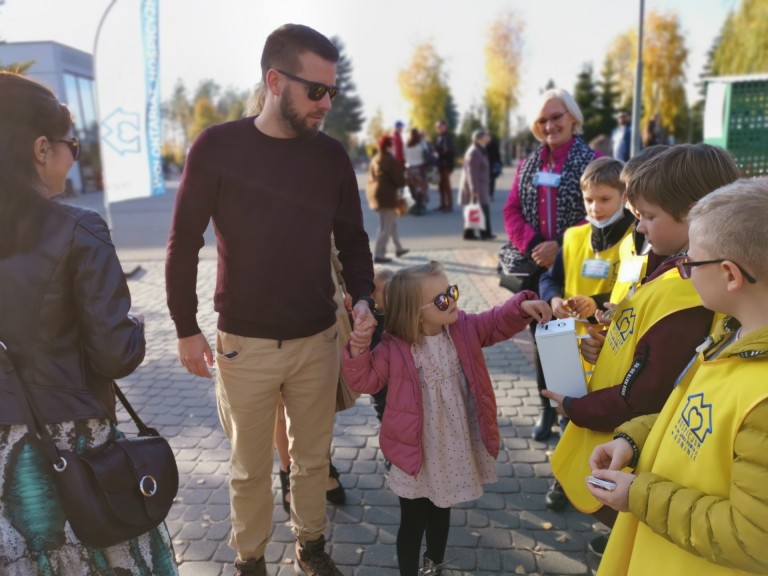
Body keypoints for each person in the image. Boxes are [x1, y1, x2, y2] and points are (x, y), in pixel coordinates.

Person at [165, 24, 376, 576]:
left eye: (333, 92)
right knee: (249, 468)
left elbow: (353, 240)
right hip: (244, 346)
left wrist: (363, 300)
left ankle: (311, 547)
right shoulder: (216, 147)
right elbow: (183, 242)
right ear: (275, 81)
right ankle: (250, 559)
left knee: (311, 462)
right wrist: (185, 327)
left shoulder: (331, 157)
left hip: (317, 340)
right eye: (316, 91)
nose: (326, 104)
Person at [0, 72, 177, 574]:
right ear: (40, 149)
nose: (72, 155)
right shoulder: (79, 229)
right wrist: (135, 326)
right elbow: (115, 354)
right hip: (71, 445)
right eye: (71, 145)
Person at [543, 144, 739, 557]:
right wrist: (609, 341)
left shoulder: (690, 294)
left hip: (633, 453)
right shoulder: (668, 265)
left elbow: (645, 394)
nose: (640, 228)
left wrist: (575, 406)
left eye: (648, 216)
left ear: (694, 213)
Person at [587, 178, 768, 575]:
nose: (683, 271)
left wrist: (639, 495)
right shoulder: (732, 336)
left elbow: (753, 537)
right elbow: (693, 417)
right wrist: (633, 440)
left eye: (689, 263)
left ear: (730, 275)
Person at [341, 261, 552, 576]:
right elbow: (364, 381)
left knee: (441, 510)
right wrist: (359, 346)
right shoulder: (393, 348)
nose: (452, 301)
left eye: (451, 292)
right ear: (415, 312)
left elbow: (494, 322)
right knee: (412, 520)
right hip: (415, 452)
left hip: (451, 448)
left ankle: (433, 564)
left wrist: (521, 306)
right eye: (442, 300)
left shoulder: (463, 328)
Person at [501, 87, 600, 442]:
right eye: (542, 120)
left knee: (577, 342)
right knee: (544, 340)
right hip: (535, 266)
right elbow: (511, 210)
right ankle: (548, 407)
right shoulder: (529, 165)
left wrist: (560, 245)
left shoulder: (593, 160)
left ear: (573, 118)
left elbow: (602, 210)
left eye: (556, 117)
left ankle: (573, 410)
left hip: (576, 265)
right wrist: (533, 245)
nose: (549, 125)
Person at [537, 157, 634, 512]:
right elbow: (550, 277)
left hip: (608, 348)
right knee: (569, 413)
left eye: (604, 199)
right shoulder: (574, 235)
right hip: (569, 346)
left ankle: (600, 485)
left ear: (624, 197)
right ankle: (562, 479)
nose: (595, 207)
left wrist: (595, 303)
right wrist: (555, 298)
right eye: (589, 200)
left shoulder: (634, 237)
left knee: (602, 420)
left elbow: (632, 292)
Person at [366, 134, 409, 264]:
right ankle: (378, 254)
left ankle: (398, 248)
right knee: (386, 226)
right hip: (387, 196)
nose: (394, 147)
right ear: (388, 146)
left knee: (390, 224)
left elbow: (371, 176)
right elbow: (400, 180)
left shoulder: (376, 159)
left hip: (377, 195)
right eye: (392, 145)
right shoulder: (390, 160)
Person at [459, 129, 494, 241]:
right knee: (480, 209)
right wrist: (474, 189)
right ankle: (484, 233)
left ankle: (471, 233)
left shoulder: (479, 150)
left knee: (478, 209)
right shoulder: (474, 151)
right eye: (486, 136)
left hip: (480, 185)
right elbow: (471, 172)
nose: (488, 137)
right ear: (479, 138)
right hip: (476, 186)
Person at [403, 127, 429, 215]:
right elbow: (426, 154)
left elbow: (404, 156)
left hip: (409, 170)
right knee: (421, 189)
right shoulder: (421, 144)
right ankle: (420, 206)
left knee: (412, 189)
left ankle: (413, 207)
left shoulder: (406, 145)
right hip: (419, 169)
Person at [432, 120, 455, 212]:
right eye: (438, 127)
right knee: (440, 186)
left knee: (446, 186)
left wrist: (450, 165)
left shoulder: (447, 138)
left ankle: (449, 205)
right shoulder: (438, 137)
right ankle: (442, 204)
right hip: (439, 165)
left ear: (445, 127)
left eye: (441, 126)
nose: (439, 128)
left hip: (445, 165)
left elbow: (449, 152)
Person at [486, 134, 503, 201]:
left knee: (491, 180)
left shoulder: (492, 144)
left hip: (491, 164)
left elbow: (497, 154)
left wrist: (499, 163)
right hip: (489, 164)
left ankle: (490, 194)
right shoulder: (487, 144)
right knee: (490, 180)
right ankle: (489, 194)